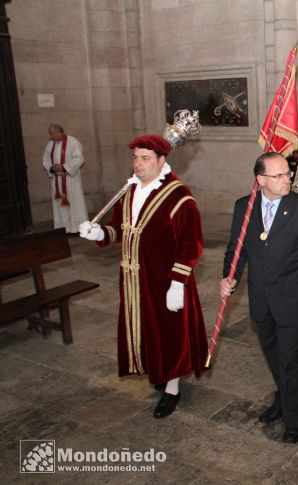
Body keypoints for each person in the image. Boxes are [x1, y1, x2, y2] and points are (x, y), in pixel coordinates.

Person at [79, 134, 208, 419]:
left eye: (145, 158)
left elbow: (191, 244)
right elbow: (118, 228)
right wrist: (100, 233)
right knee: (148, 329)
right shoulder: (128, 191)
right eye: (135, 158)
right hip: (135, 279)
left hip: (165, 279)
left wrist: (178, 283)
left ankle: (172, 388)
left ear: (162, 161)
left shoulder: (179, 195)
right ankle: (160, 372)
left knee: (170, 332)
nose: (138, 163)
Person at [220, 152, 298, 444]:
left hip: (292, 298)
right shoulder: (245, 207)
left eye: (287, 174)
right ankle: (284, 396)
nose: (286, 179)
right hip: (260, 299)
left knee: (291, 360)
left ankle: (293, 420)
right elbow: (236, 249)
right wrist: (230, 276)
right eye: (278, 175)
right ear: (261, 180)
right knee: (274, 355)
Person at [42, 124, 88, 234]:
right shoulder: (50, 144)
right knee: (60, 205)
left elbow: (79, 158)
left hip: (70, 180)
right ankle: (63, 228)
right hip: (57, 181)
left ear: (59, 132)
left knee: (74, 204)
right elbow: (45, 160)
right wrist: (51, 168)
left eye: (52, 134)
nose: (51, 136)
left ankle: (77, 228)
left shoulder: (73, 142)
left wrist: (64, 167)